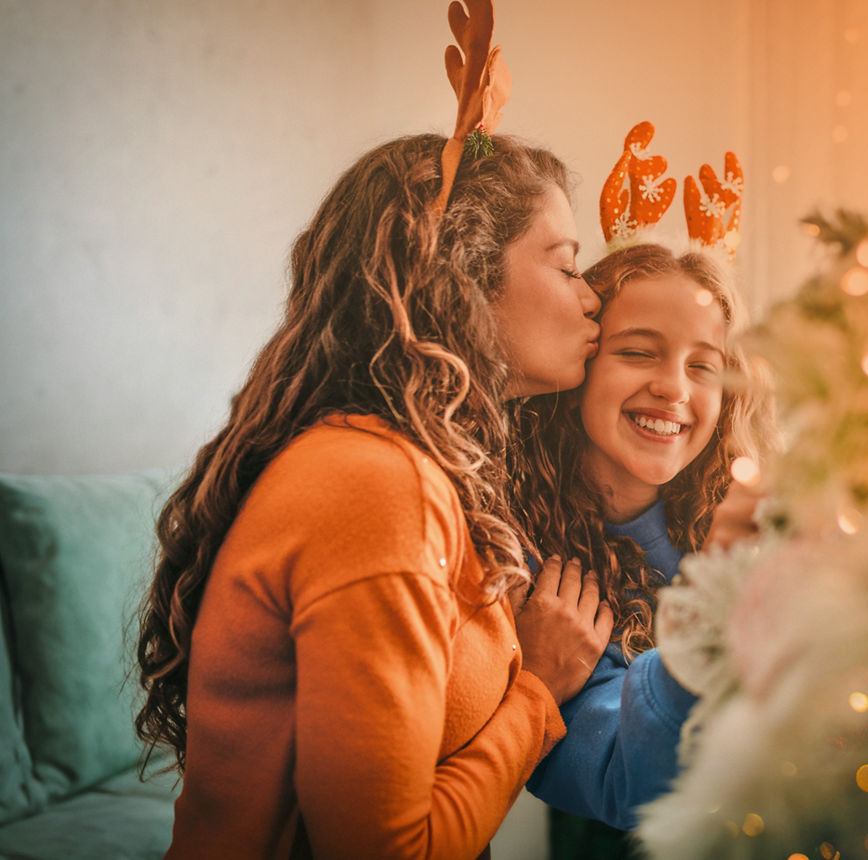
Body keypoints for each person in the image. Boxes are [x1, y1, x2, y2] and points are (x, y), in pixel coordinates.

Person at [133, 44, 617, 856]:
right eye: (566, 266)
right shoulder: (378, 485)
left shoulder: (410, 466)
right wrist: (537, 691)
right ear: (463, 274)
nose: (591, 294)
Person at [508, 241, 769, 851]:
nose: (673, 387)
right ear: (580, 366)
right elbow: (621, 776)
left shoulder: (744, 522)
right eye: (637, 352)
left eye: (703, 366)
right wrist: (712, 614)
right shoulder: (523, 568)